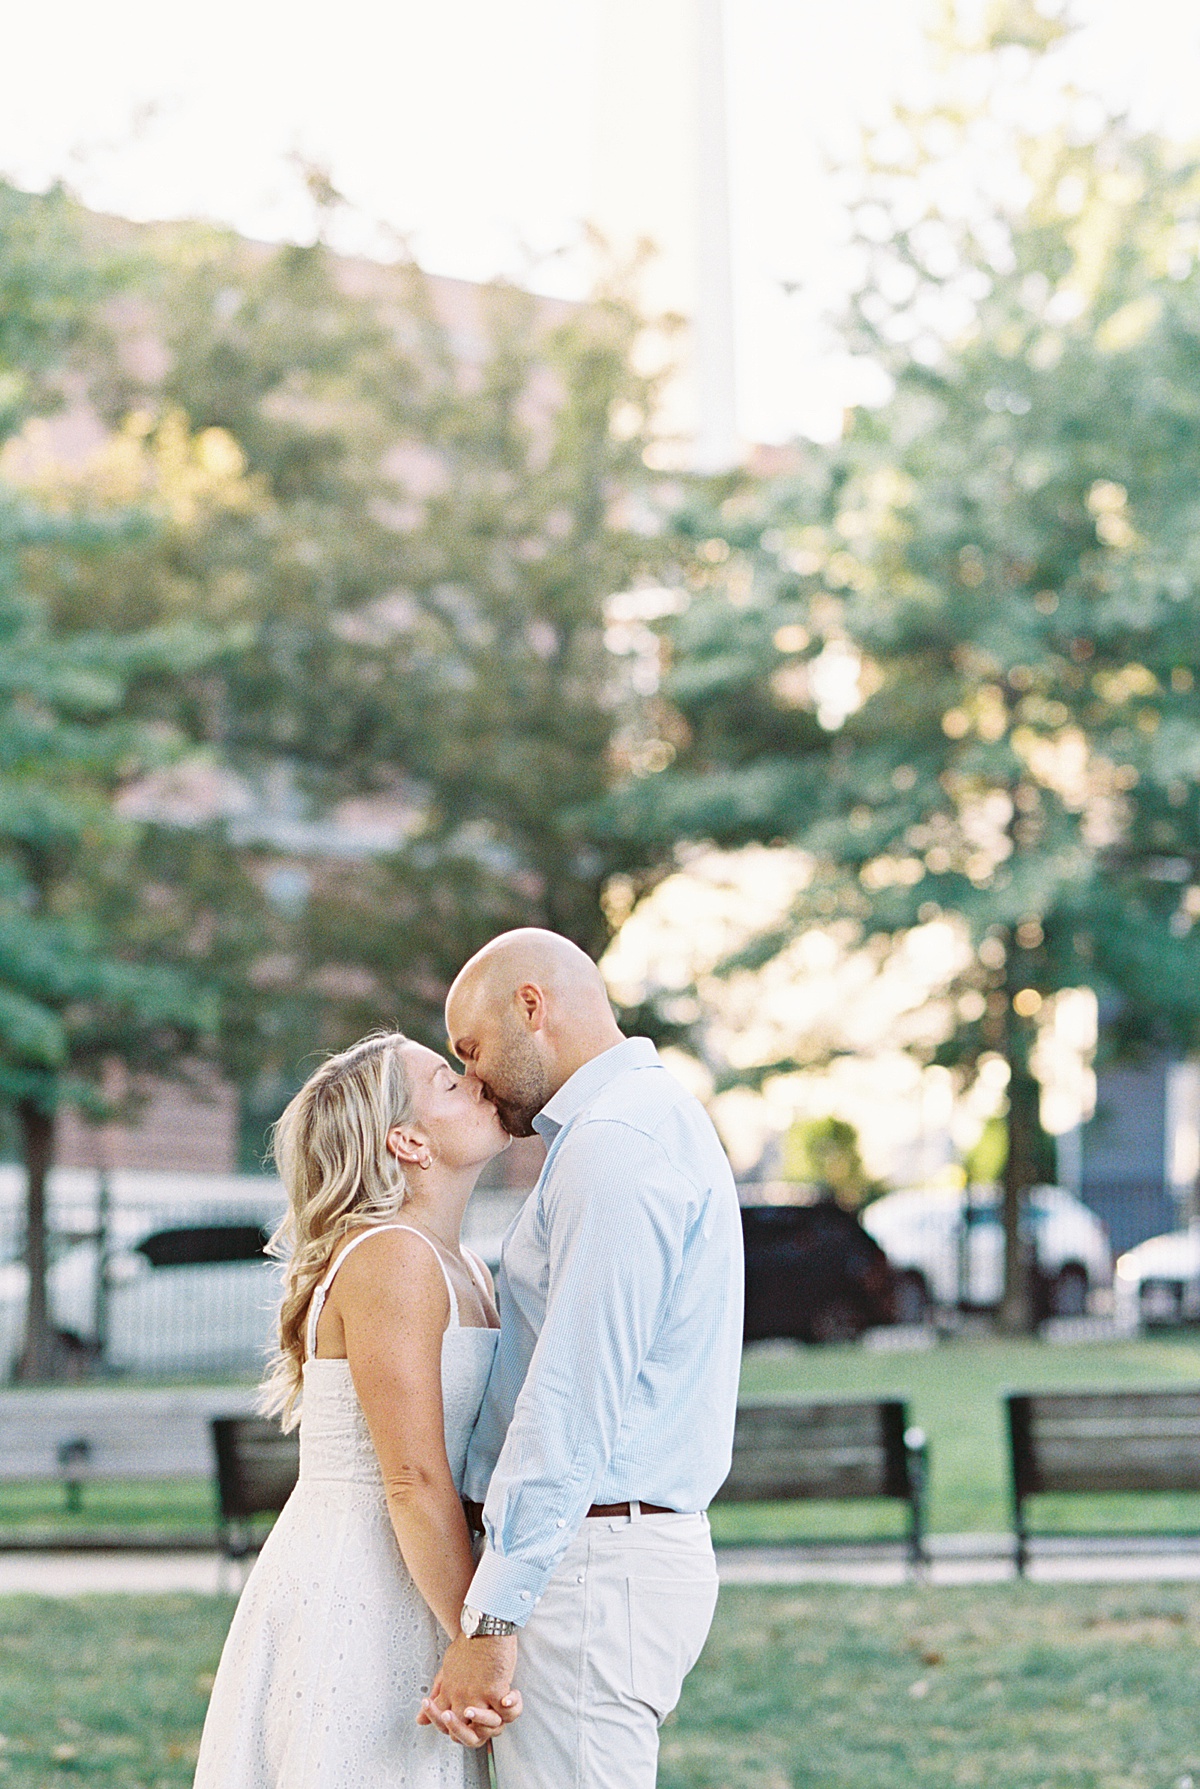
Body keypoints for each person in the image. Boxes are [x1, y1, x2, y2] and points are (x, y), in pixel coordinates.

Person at [420, 928, 744, 1788]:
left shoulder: (615, 1145)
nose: (471, 1078)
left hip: (591, 1569)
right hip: (594, 1558)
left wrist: (491, 1620)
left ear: (532, 1005)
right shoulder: (623, 1128)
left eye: (471, 1048)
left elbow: (571, 1401)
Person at [193, 1031, 519, 1789]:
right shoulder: (391, 1256)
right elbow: (411, 1477)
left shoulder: (463, 1263)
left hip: (426, 1572)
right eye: (447, 1081)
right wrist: (478, 1633)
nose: (475, 1080)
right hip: (362, 1586)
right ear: (406, 1140)